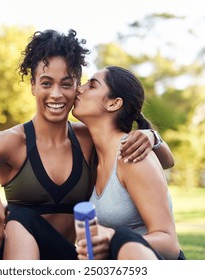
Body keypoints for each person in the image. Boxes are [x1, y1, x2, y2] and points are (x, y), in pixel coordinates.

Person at [0, 29, 173, 260]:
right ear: (33, 86)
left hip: (61, 257)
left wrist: (151, 136)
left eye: (67, 84)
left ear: (77, 89)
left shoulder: (90, 139)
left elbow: (162, 161)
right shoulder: (10, 142)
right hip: (0, 253)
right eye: (46, 83)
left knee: (23, 219)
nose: (56, 94)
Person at [72, 66, 185, 260]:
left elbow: (169, 244)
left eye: (91, 85)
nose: (79, 89)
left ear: (114, 104)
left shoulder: (132, 156)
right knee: (25, 220)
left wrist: (112, 237)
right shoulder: (90, 150)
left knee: (124, 235)